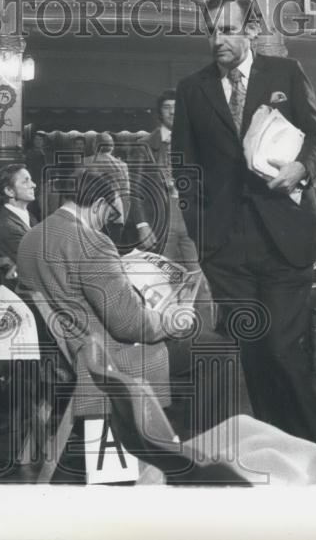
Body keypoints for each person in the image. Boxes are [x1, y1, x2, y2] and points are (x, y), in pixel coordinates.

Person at [172, 0, 316, 447]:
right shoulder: (192, 89)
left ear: (252, 31)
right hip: (226, 251)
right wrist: (206, 241)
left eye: (226, 29)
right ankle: (280, 457)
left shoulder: (285, 73)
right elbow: (185, 171)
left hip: (285, 240)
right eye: (210, 31)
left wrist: (302, 168)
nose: (215, 40)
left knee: (284, 353)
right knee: (256, 355)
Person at [17, 165, 229, 437]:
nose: (108, 222)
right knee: (216, 348)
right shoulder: (93, 242)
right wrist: (174, 321)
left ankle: (175, 430)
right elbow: (130, 324)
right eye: (109, 213)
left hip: (67, 349)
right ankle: (201, 442)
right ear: (99, 204)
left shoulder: (32, 236)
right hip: (106, 356)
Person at [126, 89, 200, 269]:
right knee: (163, 276)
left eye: (177, 107)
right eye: (167, 107)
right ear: (160, 113)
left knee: (200, 277)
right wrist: (142, 225)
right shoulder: (145, 145)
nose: (173, 112)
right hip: (160, 216)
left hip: (192, 216)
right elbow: (134, 189)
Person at [0, 164, 36, 266]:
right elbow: (34, 265)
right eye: (25, 181)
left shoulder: (29, 217)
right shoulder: (7, 228)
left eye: (31, 180)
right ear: (9, 191)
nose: (33, 185)